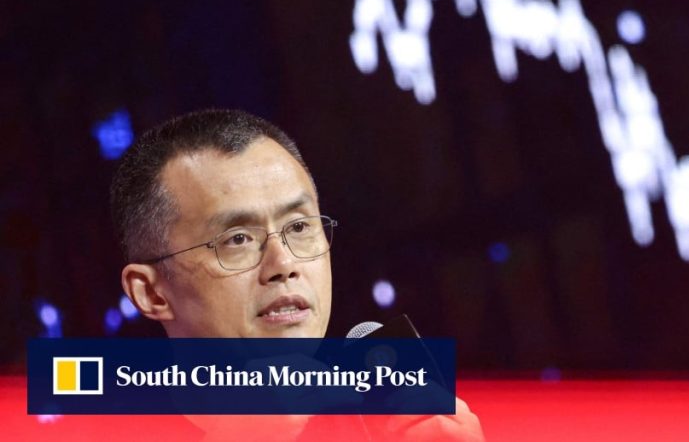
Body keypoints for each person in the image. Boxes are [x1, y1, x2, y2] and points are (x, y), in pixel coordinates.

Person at [110, 109, 484, 441]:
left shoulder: (396, 423)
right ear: (151, 293)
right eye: (237, 239)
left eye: (300, 227)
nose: (284, 264)